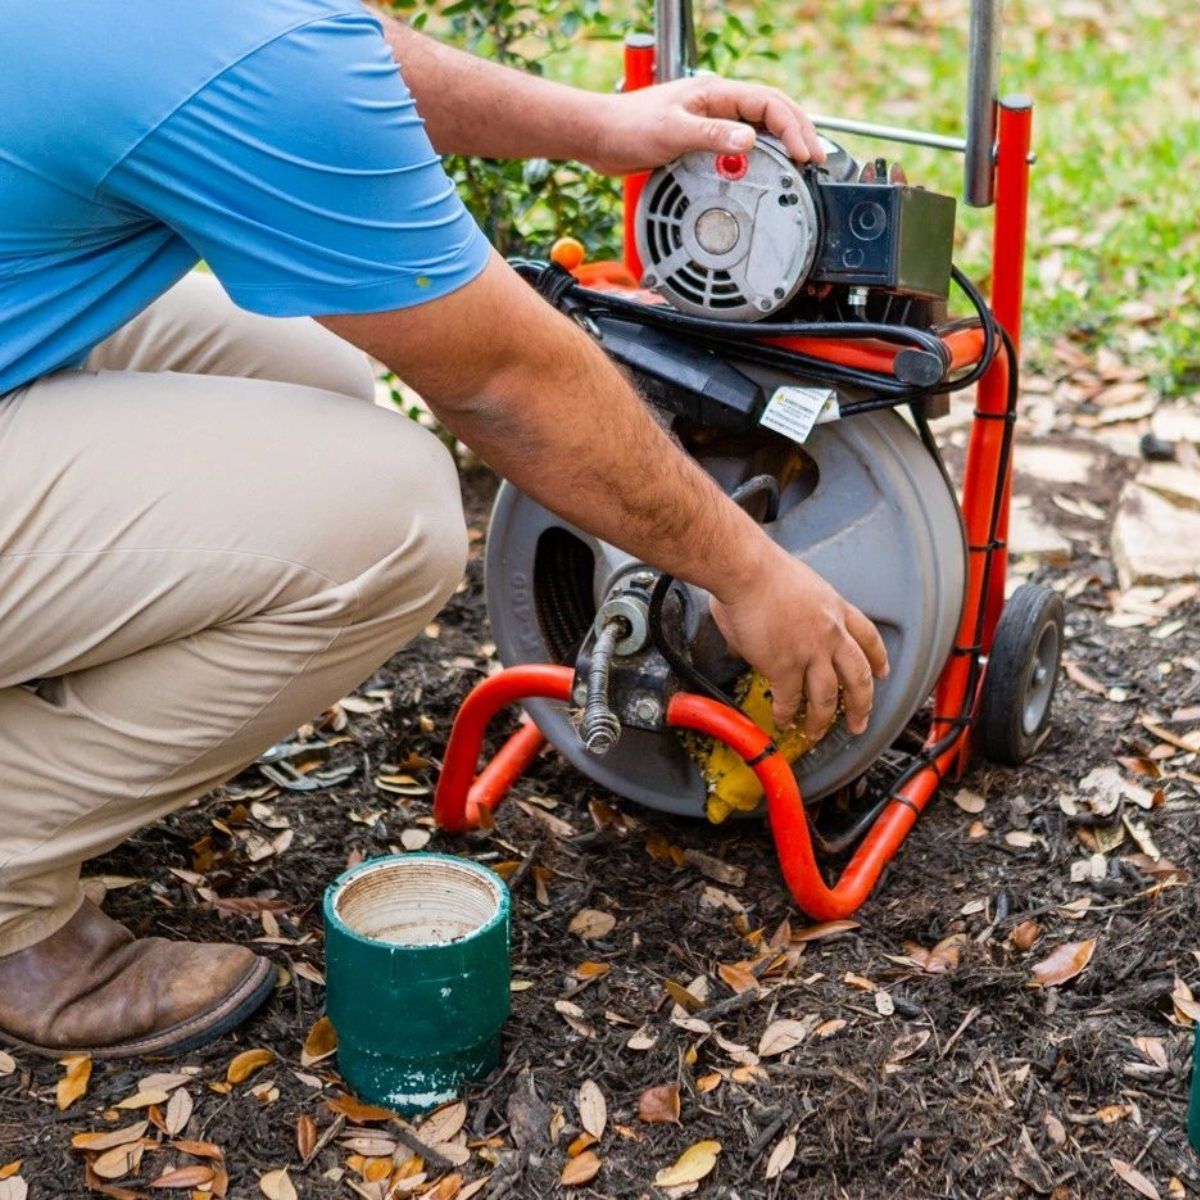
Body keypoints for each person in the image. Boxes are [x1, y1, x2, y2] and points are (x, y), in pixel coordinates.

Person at [0, 0, 888, 1058]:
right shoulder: (252, 49)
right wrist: (749, 573)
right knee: (389, 519)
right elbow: (507, 381)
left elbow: (342, 47)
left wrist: (599, 126)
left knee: (311, 376)